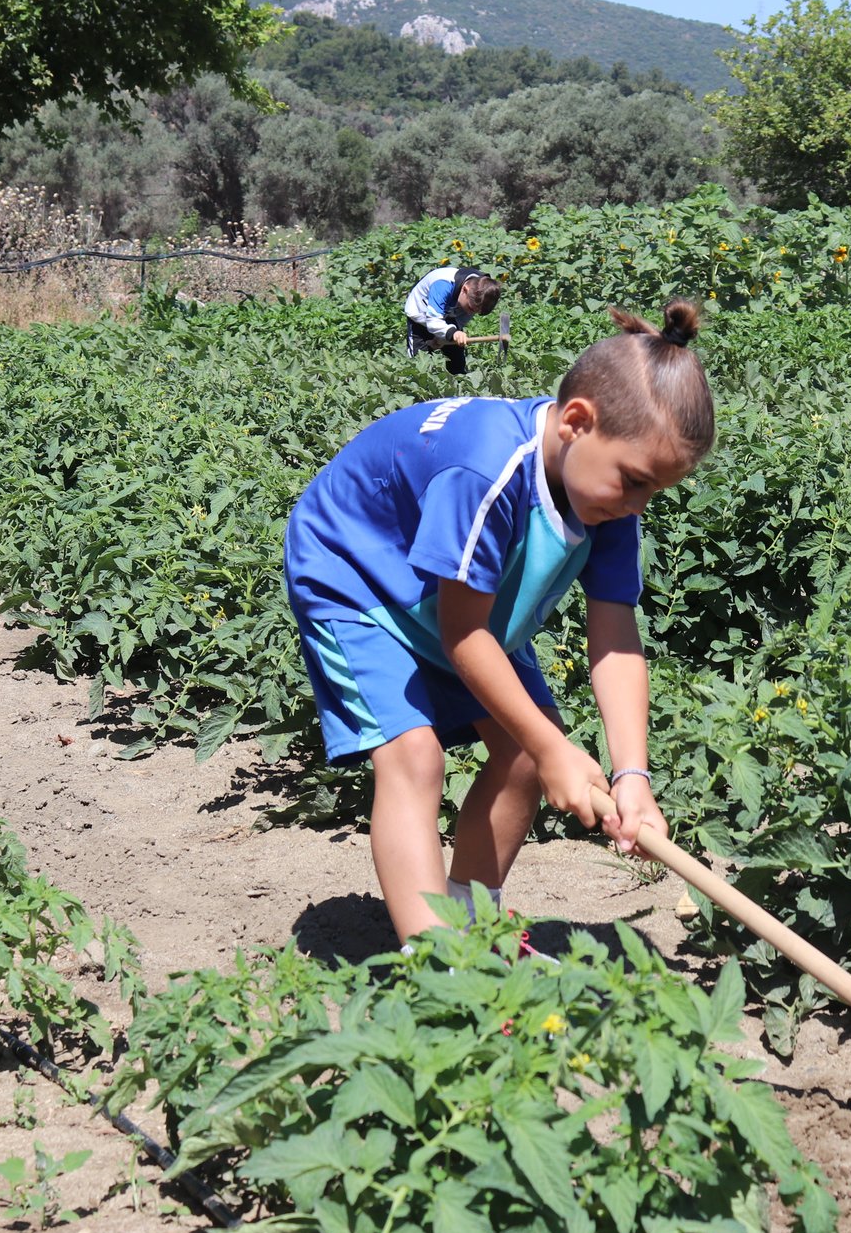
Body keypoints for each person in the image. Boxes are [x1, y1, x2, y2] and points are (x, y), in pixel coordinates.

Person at [285, 299, 714, 944]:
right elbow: (463, 636)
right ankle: (437, 968)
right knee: (415, 756)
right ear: (576, 421)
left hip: (457, 598)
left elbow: (616, 641)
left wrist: (631, 777)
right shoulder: (486, 468)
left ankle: (472, 927)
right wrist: (556, 749)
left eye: (653, 490)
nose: (637, 504)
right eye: (631, 482)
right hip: (358, 573)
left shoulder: (611, 500)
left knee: (520, 756)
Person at [404, 265, 502, 374]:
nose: (470, 313)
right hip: (421, 315)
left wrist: (447, 336)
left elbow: (462, 318)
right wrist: (452, 333)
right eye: (470, 308)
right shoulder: (442, 285)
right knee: (418, 366)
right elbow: (433, 321)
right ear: (465, 290)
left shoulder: (480, 289)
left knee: (457, 361)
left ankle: (459, 383)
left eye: (476, 312)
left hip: (451, 314)